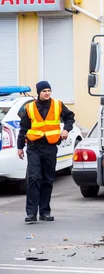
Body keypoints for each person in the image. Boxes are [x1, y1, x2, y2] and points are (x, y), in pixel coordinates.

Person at [17, 81, 75, 223]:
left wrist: (66, 129)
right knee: (34, 178)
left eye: (49, 90)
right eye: (44, 91)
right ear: (39, 92)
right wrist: (19, 147)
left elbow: (70, 117)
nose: (47, 93)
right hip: (34, 147)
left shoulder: (58, 105)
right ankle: (31, 213)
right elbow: (23, 128)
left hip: (50, 147)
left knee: (48, 179)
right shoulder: (29, 108)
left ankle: (45, 212)